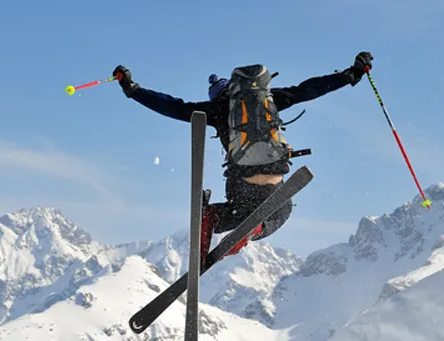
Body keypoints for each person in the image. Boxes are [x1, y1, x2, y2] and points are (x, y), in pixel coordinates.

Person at [113, 52, 373, 260]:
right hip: (273, 182)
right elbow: (309, 89)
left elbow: (172, 106)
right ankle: (253, 230)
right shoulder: (271, 99)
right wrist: (351, 74)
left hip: (241, 183)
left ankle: (212, 217)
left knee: (236, 214)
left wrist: (133, 90)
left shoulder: (213, 110)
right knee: (280, 213)